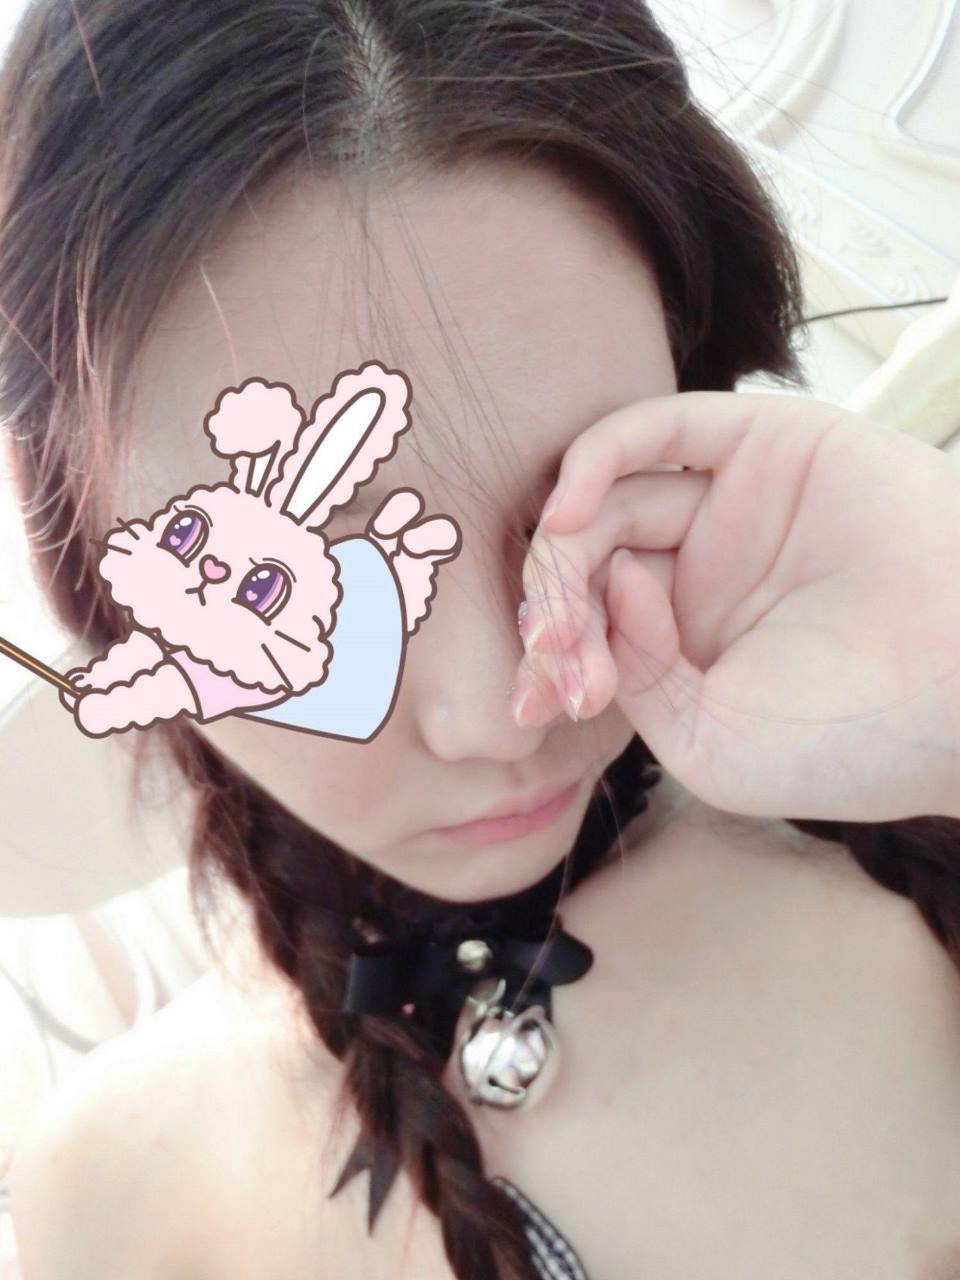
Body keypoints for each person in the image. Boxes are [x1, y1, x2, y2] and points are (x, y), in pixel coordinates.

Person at [3, 3, 960, 1278]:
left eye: (577, 500)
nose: (503, 712)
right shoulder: (115, 1187)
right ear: (95, 570)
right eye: (305, 593)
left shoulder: (909, 835)